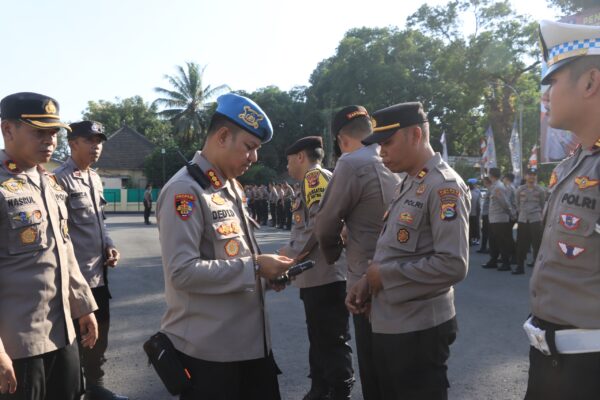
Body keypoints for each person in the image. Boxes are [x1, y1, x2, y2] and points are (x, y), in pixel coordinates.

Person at [156, 93, 294, 400]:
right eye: (249, 147)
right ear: (222, 137)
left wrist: (266, 276)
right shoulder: (186, 190)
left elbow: (234, 259)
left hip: (250, 349)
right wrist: (256, 266)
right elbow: (182, 272)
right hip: (212, 358)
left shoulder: (228, 186)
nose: (254, 158)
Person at [346, 102, 470, 400]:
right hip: (392, 323)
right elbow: (394, 247)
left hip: (418, 330)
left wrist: (383, 276)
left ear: (415, 135)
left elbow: (453, 264)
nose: (381, 151)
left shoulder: (443, 187)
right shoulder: (410, 183)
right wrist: (367, 281)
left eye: (387, 142)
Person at [0, 92, 98, 399]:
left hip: (62, 332)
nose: (50, 141)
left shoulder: (49, 182)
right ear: (8, 130)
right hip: (19, 345)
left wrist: (83, 306)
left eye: (53, 133)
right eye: (39, 132)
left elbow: (64, 251)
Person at [523, 20, 600, 399]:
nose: (545, 94)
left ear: (590, 83)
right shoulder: (574, 164)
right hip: (552, 364)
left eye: (551, 82)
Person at [314, 105, 400, 400]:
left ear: (340, 139)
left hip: (365, 281)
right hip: (401, 274)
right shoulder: (393, 156)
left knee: (374, 372)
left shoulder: (351, 163)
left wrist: (333, 252)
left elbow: (325, 225)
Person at [53, 121, 126, 400]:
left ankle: (96, 387)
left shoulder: (94, 178)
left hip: (99, 274)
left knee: (101, 334)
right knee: (78, 339)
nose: (97, 146)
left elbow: (100, 222)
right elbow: (60, 232)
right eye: (90, 141)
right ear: (73, 144)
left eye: (99, 141)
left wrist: (110, 246)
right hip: (76, 279)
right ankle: (78, 390)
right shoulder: (59, 179)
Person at [280, 136, 353, 400]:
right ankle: (320, 387)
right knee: (319, 336)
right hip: (315, 275)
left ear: (301, 157)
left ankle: (339, 389)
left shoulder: (315, 178)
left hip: (325, 274)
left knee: (331, 339)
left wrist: (293, 254)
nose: (287, 166)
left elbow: (320, 224)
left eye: (289, 160)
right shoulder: (309, 180)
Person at [513, 169, 545, 275]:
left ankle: (537, 267)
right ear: (525, 177)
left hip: (535, 220)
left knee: (537, 245)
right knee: (521, 245)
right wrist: (521, 213)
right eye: (530, 175)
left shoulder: (540, 190)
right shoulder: (520, 189)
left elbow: (542, 205)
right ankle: (520, 267)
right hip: (523, 220)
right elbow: (516, 203)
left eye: (534, 175)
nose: (532, 177)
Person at [482, 168, 513, 271]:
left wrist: (511, 214)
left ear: (491, 175)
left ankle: (506, 263)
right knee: (494, 241)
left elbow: (504, 203)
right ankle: (493, 260)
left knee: (502, 242)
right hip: (494, 219)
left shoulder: (498, 187)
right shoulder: (494, 186)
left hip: (500, 219)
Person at [477, 177, 492, 254]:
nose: (483, 183)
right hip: (485, 214)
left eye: (484, 181)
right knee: (485, 231)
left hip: (489, 214)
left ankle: (489, 248)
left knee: (489, 232)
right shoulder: (489, 189)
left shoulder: (491, 189)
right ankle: (483, 247)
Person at [468, 180, 481, 246]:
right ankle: (476, 239)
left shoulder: (467, 192)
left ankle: (472, 239)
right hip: (475, 212)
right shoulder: (477, 191)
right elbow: (478, 203)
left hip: (469, 213)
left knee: (470, 227)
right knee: (476, 226)